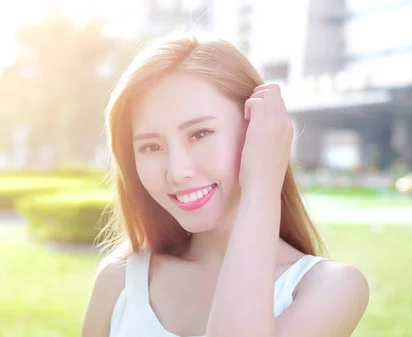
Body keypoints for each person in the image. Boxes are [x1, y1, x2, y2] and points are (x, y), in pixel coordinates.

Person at [81, 34, 369, 337]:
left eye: (200, 134)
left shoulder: (329, 287)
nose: (177, 172)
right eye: (151, 147)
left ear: (257, 131)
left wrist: (262, 186)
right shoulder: (120, 281)